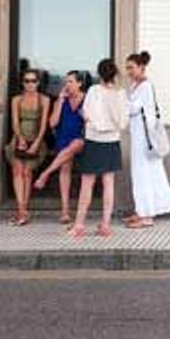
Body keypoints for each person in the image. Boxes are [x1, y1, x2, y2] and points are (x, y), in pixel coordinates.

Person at [64, 59, 129, 238]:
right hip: (112, 140)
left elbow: (86, 114)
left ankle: (79, 225)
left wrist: (94, 122)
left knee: (87, 184)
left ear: (99, 74)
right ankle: (106, 225)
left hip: (94, 140)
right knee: (108, 183)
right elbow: (124, 121)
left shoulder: (94, 91)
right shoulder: (121, 94)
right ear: (115, 74)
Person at [124, 51, 170, 229]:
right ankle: (142, 210)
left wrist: (118, 100)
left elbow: (134, 109)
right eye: (127, 68)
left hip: (144, 139)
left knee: (143, 175)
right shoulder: (136, 86)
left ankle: (146, 216)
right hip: (140, 137)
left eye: (131, 68)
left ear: (141, 67)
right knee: (149, 174)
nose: (129, 71)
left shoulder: (145, 86)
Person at [34, 70, 86, 224]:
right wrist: (60, 102)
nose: (67, 85)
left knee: (75, 144)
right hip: (64, 138)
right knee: (65, 168)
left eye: (70, 81)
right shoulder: (60, 100)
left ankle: (46, 173)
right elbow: (52, 123)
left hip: (83, 138)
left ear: (79, 83)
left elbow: (93, 119)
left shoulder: (87, 99)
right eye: (66, 82)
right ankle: (65, 211)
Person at [7, 69, 51, 226]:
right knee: (17, 171)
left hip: (36, 137)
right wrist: (20, 138)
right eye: (27, 81)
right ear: (22, 82)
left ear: (38, 82)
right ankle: (21, 210)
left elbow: (44, 123)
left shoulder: (44, 100)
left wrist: (37, 142)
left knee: (27, 172)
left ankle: (23, 209)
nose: (30, 84)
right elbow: (15, 121)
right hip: (20, 137)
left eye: (33, 81)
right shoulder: (16, 99)